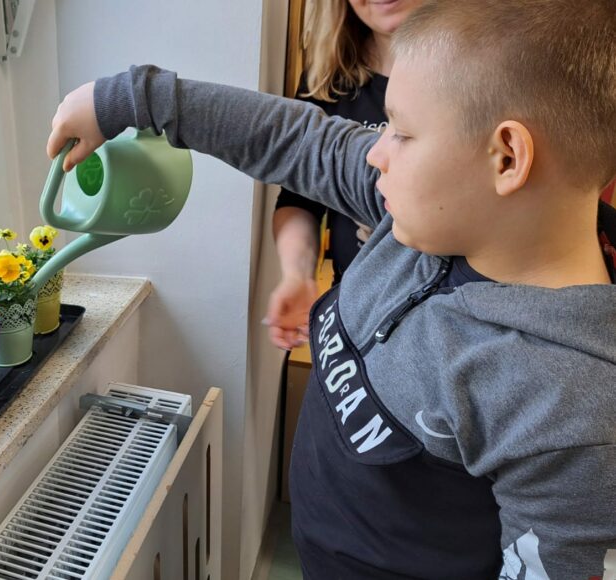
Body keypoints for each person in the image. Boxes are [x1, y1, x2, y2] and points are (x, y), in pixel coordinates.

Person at [46, 0, 616, 576]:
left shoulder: (567, 410)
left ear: (507, 157)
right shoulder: (427, 221)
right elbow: (300, 140)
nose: (376, 151)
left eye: (402, 133)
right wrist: (132, 100)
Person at [270, 0, 423, 351]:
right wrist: (297, 275)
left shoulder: (477, 75)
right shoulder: (327, 81)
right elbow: (299, 200)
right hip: (351, 318)